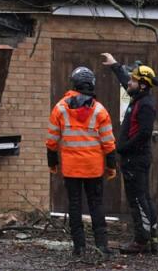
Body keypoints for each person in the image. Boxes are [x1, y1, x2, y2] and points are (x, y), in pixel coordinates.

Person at [46, 66, 117, 256]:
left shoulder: (60, 108)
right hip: (93, 168)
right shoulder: (100, 110)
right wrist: (111, 166)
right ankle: (102, 245)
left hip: (71, 169)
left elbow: (51, 140)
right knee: (96, 205)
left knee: (74, 206)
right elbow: (108, 142)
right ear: (91, 84)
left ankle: (79, 247)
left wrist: (52, 163)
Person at [101, 53, 158, 254]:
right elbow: (126, 82)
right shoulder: (139, 97)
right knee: (143, 197)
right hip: (134, 158)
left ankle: (142, 241)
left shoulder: (145, 105)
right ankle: (151, 237)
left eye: (134, 80)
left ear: (142, 85)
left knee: (137, 199)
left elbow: (144, 133)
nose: (130, 82)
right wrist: (115, 66)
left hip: (135, 159)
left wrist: (123, 148)